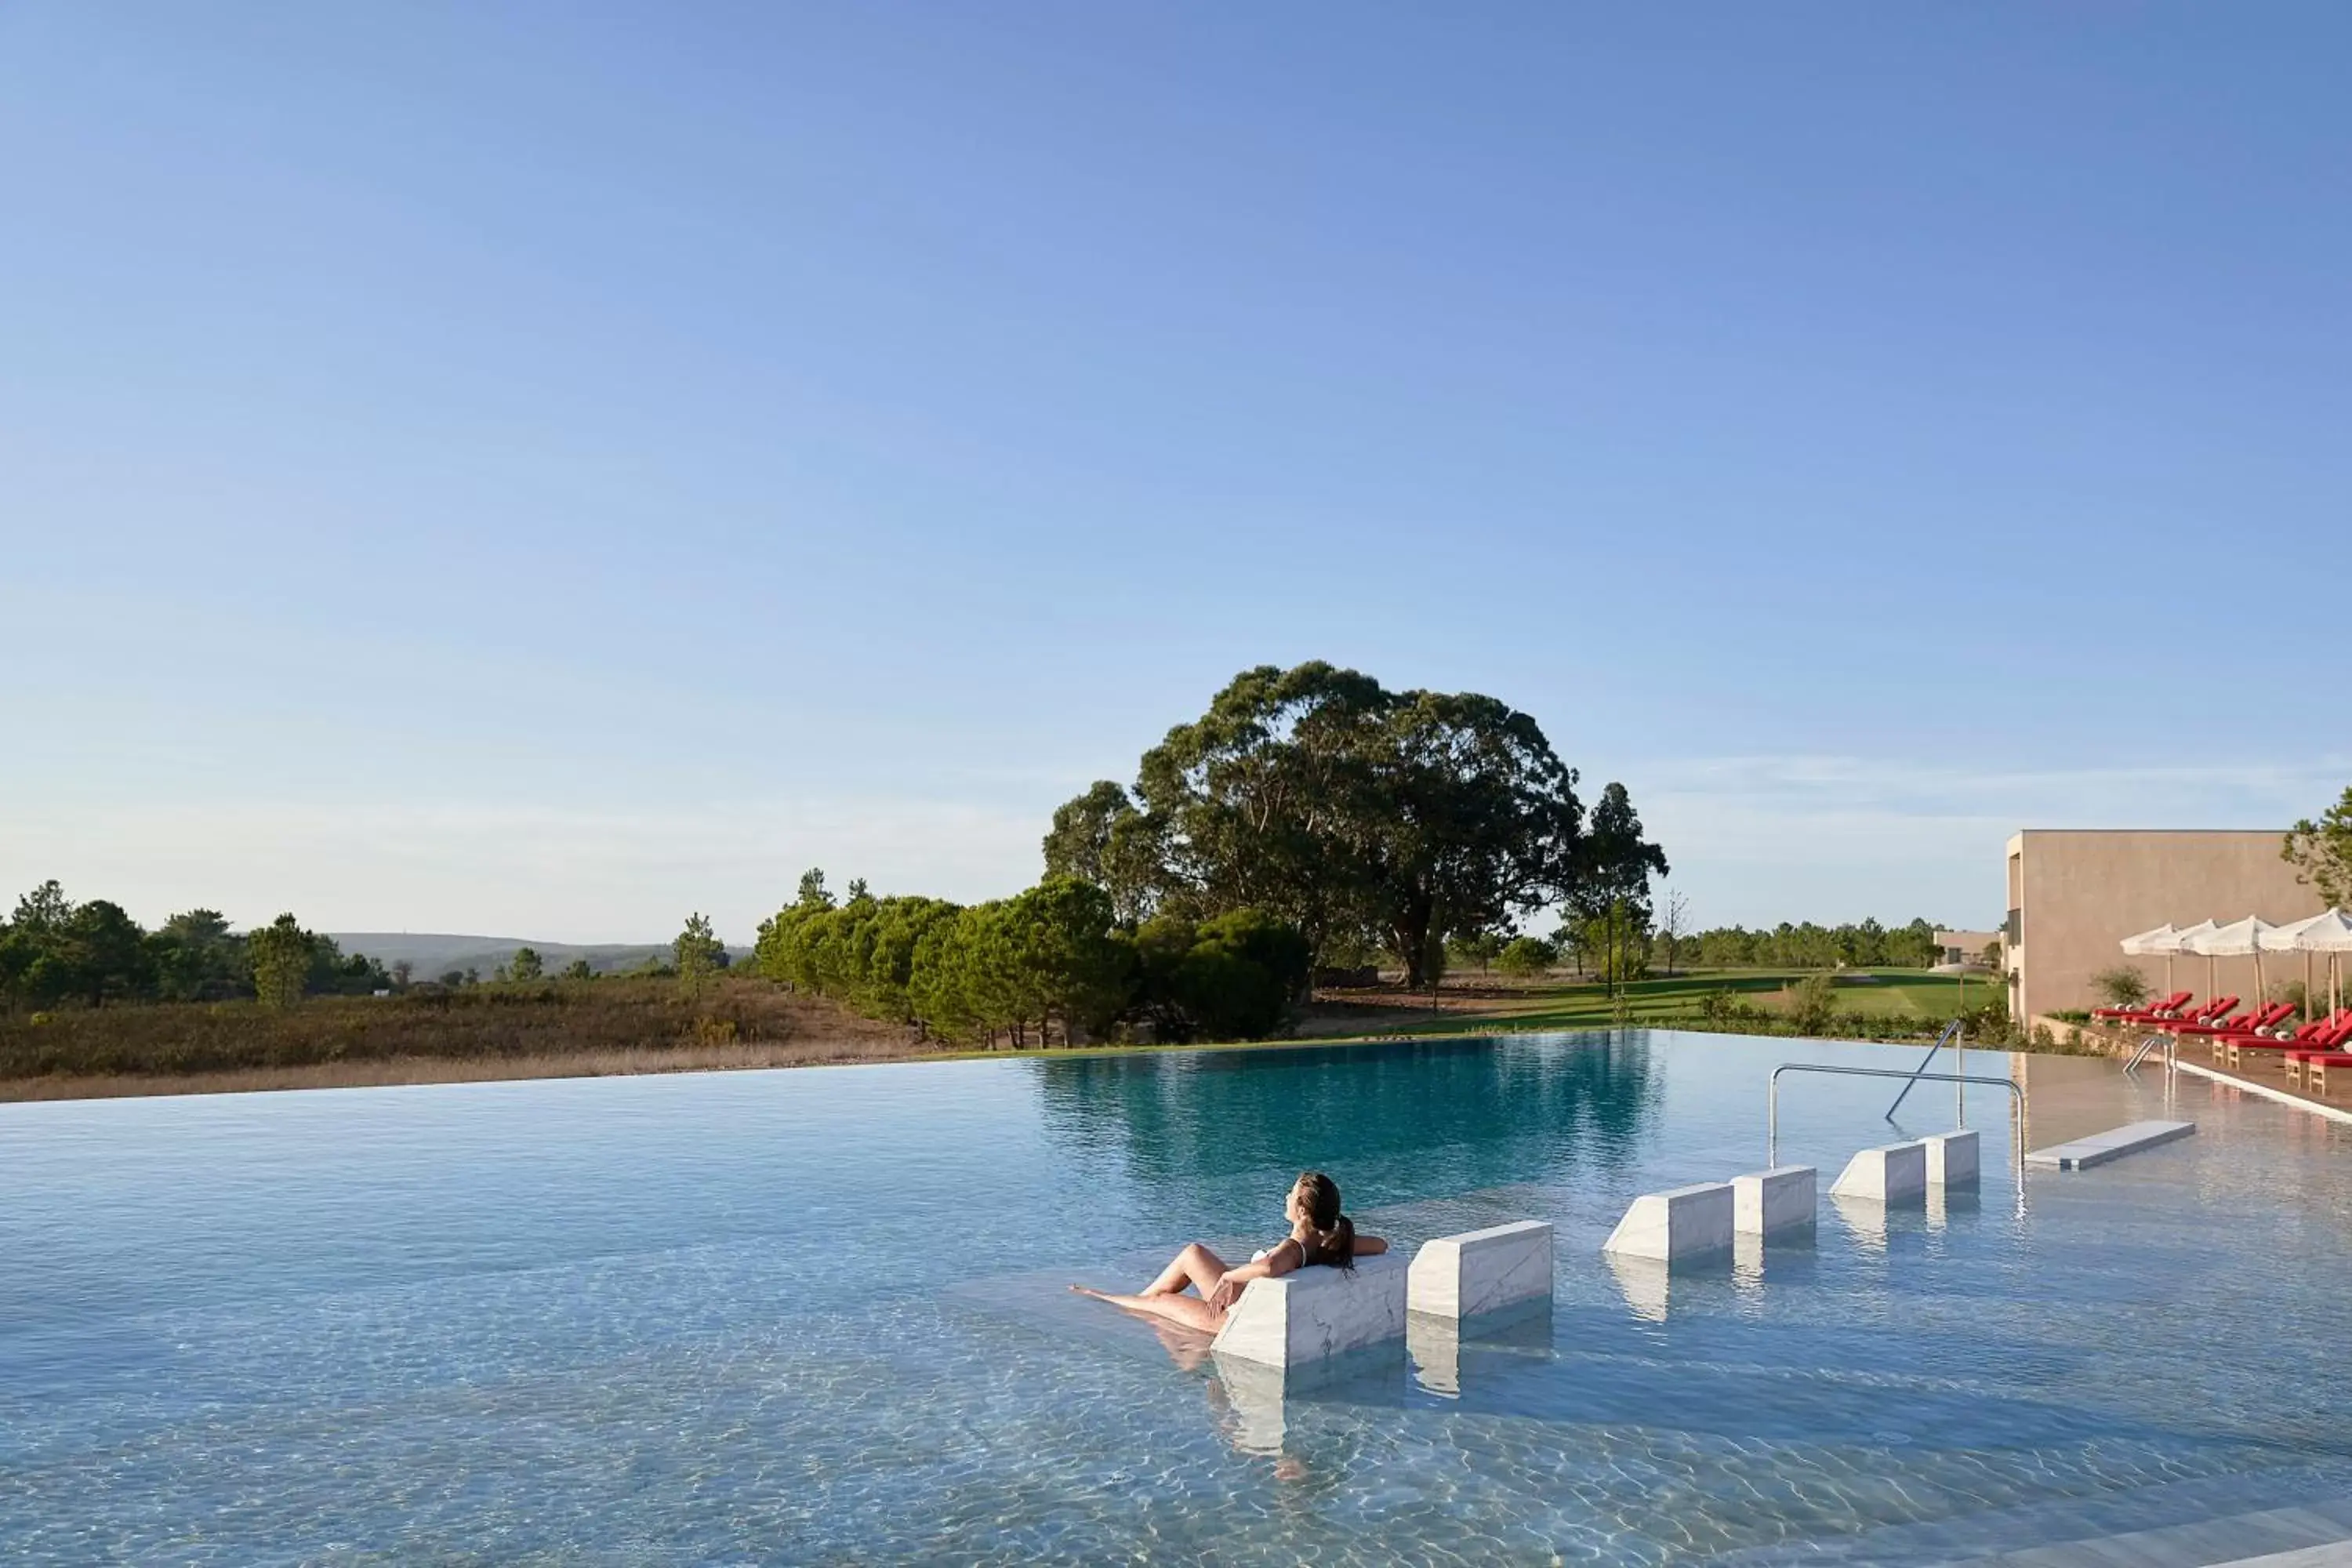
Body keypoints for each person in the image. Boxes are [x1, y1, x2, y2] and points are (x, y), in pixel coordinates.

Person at [1071, 1171, 1387, 1334]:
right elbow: (1382, 1245)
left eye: (1291, 1194)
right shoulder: (1326, 1242)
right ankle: (1137, 1299)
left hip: (1232, 1319)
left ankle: (1103, 1297)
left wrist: (1228, 1276)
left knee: (1157, 1301)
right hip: (1244, 1301)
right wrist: (1342, 1236)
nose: (1286, 1196)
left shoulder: (1293, 1250)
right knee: (1193, 1253)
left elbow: (1268, 1266)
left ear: (1302, 1210)